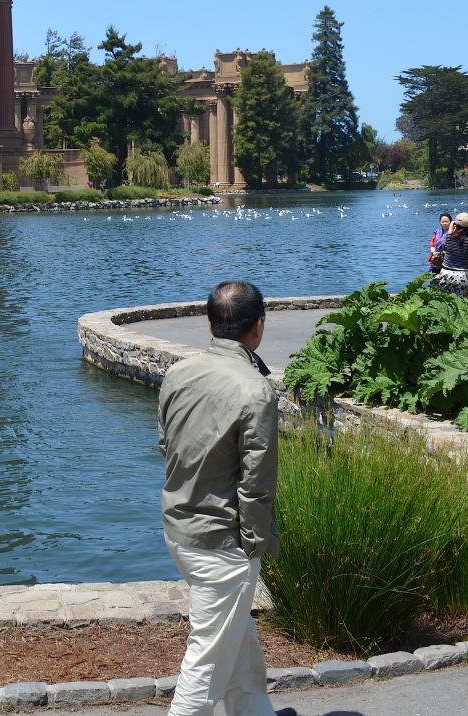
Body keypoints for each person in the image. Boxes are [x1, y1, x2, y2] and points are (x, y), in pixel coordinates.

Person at [158, 281, 292, 716]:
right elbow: (257, 483)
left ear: (210, 324)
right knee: (207, 658)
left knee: (236, 642)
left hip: (180, 529)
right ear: (258, 327)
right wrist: (255, 543)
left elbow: (166, 444)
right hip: (222, 541)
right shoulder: (256, 390)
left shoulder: (178, 374)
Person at [431, 212, 468, 296]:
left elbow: (443, 246)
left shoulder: (448, 239)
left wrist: (450, 231)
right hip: (463, 278)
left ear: (455, 225)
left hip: (446, 276)